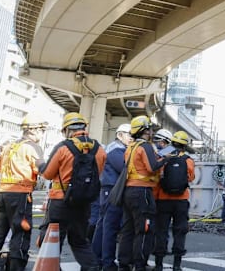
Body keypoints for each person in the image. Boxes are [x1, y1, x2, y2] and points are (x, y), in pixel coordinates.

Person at [0, 114, 47, 271]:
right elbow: (42, 169)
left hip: (2, 194)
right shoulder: (32, 147)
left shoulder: (8, 147)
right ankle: (16, 267)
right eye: (41, 131)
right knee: (21, 233)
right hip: (20, 194)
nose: (42, 134)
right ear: (33, 130)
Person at [40, 112, 106, 271]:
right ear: (84, 128)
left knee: (52, 240)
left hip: (60, 201)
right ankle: (92, 268)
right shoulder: (99, 149)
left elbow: (48, 174)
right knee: (80, 241)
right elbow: (99, 173)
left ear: (67, 130)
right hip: (84, 202)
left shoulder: (63, 147)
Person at [118, 116, 167, 271]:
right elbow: (152, 167)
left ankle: (124, 264)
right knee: (144, 230)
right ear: (145, 130)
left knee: (127, 229)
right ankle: (140, 265)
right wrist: (165, 158)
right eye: (150, 129)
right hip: (143, 193)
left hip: (128, 191)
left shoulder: (131, 147)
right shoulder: (145, 146)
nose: (152, 131)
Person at [153, 131, 195, 271]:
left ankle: (159, 263)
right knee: (180, 231)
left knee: (161, 231)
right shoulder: (188, 159)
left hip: (163, 199)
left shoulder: (163, 155)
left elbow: (156, 172)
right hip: (181, 201)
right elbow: (191, 178)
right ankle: (177, 265)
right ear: (184, 145)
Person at [92, 124, 132, 271]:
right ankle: (107, 262)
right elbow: (125, 168)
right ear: (120, 135)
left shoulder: (115, 148)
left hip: (110, 190)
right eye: (129, 135)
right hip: (112, 190)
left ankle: (97, 258)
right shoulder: (116, 149)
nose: (131, 138)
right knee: (110, 227)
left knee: (103, 226)